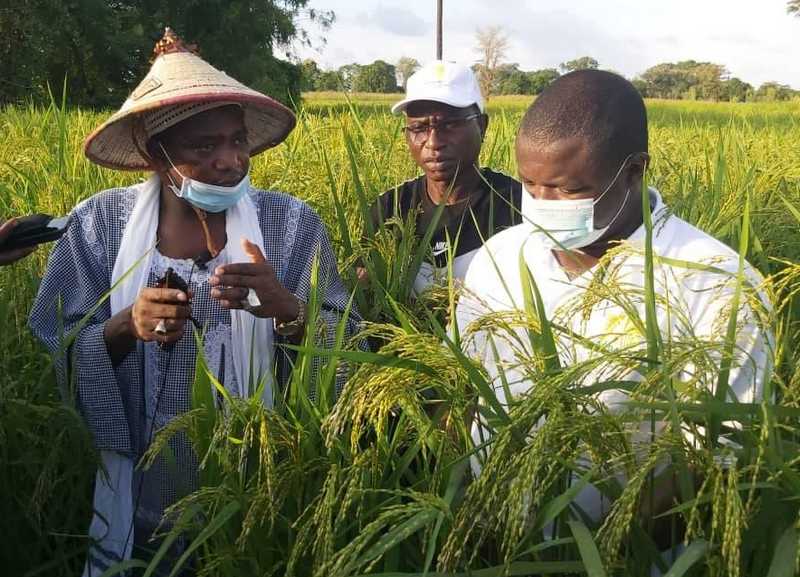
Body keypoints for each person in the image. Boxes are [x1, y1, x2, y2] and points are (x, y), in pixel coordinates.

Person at [29, 29, 359, 575]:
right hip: (143, 488)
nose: (229, 161)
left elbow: (350, 344)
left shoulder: (290, 223)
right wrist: (124, 327)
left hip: (257, 484)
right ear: (156, 154)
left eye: (237, 141)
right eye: (203, 147)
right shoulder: (100, 226)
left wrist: (284, 308)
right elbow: (54, 338)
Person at [456, 70, 771, 523]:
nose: (542, 204)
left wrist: (611, 549)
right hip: (492, 539)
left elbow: (718, 457)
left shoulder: (715, 283)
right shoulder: (499, 259)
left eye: (568, 189)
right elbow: (465, 385)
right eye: (530, 185)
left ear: (633, 171)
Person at [364, 61, 521, 294]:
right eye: (418, 128)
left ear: (482, 125)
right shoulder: (390, 209)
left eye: (449, 125)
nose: (434, 142)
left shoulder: (517, 205)